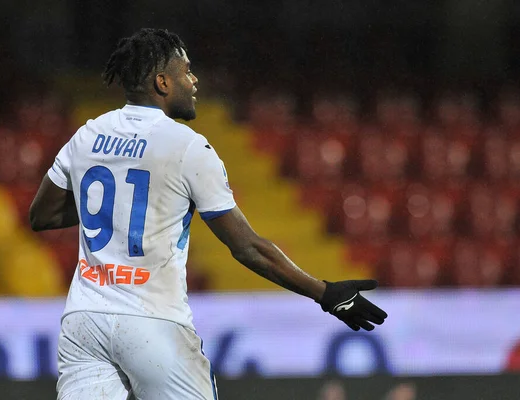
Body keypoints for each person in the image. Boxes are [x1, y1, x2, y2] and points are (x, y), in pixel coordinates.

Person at [29, 28, 387, 400]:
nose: (194, 80)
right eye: (187, 71)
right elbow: (247, 247)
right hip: (153, 321)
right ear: (162, 82)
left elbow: (42, 215)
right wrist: (326, 293)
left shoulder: (88, 134)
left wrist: (114, 201)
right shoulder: (187, 147)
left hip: (84, 321)